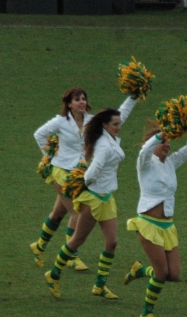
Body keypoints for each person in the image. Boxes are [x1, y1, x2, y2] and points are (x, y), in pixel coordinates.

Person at [44, 97, 138, 300]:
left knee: (112, 242)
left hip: (107, 198)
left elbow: (122, 113)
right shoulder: (104, 146)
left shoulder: (107, 134)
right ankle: (53, 274)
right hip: (94, 199)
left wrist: (134, 97)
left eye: (119, 123)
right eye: (116, 124)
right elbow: (91, 171)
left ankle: (100, 285)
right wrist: (85, 183)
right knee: (77, 240)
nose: (119, 127)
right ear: (105, 125)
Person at [124, 123, 187, 317]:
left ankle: (139, 271)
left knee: (173, 275)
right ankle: (146, 313)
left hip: (168, 226)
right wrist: (161, 134)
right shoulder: (145, 162)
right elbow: (144, 150)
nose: (167, 144)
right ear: (155, 142)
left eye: (169, 141)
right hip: (148, 224)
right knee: (161, 273)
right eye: (164, 141)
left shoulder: (170, 162)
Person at [31, 88, 106, 272]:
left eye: (83, 98)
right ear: (69, 104)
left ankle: (38, 247)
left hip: (79, 174)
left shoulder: (92, 121)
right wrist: (48, 155)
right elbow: (39, 134)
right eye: (77, 99)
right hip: (61, 172)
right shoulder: (60, 122)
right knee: (77, 213)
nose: (81, 101)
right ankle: (71, 256)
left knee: (58, 213)